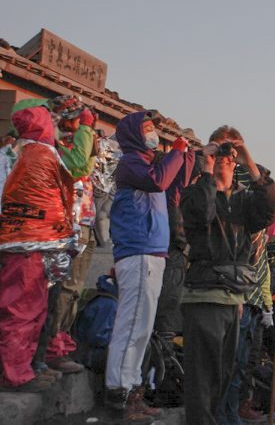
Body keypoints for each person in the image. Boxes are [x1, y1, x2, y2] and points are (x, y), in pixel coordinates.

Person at [181, 136, 275, 425]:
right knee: (202, 380)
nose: (225, 157)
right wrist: (207, 170)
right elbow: (202, 214)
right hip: (203, 295)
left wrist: (249, 159)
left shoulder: (243, 201)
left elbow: (270, 210)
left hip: (234, 297)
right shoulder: (195, 192)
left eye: (230, 154)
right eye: (219, 152)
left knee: (223, 377)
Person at [104, 110, 189, 422]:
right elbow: (160, 180)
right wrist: (177, 151)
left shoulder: (148, 163)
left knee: (141, 328)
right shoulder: (131, 163)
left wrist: (186, 153)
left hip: (152, 253)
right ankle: (119, 393)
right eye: (149, 129)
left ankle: (131, 390)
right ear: (135, 135)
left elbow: (176, 181)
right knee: (131, 327)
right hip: (138, 252)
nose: (154, 133)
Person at [0, 106, 75, 392]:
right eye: (52, 122)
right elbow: (64, 191)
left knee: (31, 309)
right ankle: (15, 374)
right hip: (31, 244)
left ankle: (24, 368)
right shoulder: (40, 155)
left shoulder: (21, 153)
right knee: (22, 311)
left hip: (28, 243)